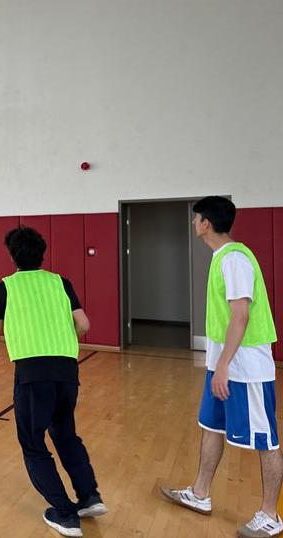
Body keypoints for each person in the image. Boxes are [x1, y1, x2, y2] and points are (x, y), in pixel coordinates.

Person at [161, 196, 281, 538]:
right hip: (224, 364)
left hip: (247, 368)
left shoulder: (235, 260)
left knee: (266, 440)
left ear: (206, 223)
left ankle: (270, 515)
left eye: (196, 218)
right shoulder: (221, 257)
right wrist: (218, 364)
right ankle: (200, 493)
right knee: (211, 426)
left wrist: (225, 365)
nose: (193, 223)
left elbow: (241, 316)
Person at [0, 226, 105, 537]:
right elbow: (84, 324)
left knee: (34, 444)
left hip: (33, 374)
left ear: (12, 256)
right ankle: (89, 496)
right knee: (65, 433)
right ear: (42, 254)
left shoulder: (5, 287)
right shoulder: (61, 282)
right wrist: (61, 340)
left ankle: (65, 514)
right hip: (67, 370)